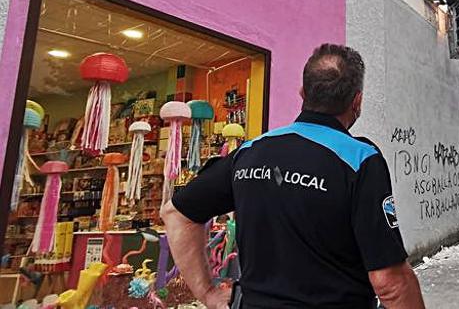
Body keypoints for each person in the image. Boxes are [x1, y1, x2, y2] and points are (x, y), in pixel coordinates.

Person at [161, 44, 425, 309]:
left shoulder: (250, 152)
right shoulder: (360, 160)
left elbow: (176, 214)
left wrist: (207, 293)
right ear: (357, 101)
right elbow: (390, 282)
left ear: (303, 93)